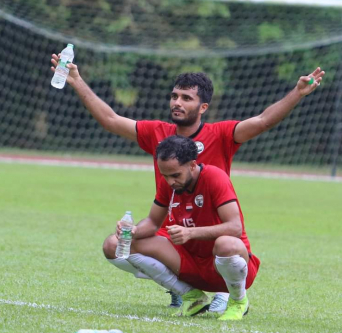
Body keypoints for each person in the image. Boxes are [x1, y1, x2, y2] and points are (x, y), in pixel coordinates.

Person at [50, 54, 323, 312]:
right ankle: (183, 289)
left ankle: (225, 293)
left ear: (203, 107)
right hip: (173, 234)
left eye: (186, 98)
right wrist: (76, 80)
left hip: (212, 235)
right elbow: (110, 120)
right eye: (174, 96)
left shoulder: (222, 134)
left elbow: (263, 121)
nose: (177, 102)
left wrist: (297, 92)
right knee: (113, 245)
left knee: (225, 249)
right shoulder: (157, 132)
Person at [105, 135, 260, 320]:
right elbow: (153, 223)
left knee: (226, 244)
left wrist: (190, 233)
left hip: (225, 267)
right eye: (165, 175)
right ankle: (191, 297)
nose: (170, 182)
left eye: (176, 175)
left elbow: (235, 227)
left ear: (192, 165)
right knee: (114, 244)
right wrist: (133, 231)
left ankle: (238, 301)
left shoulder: (214, 177)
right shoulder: (168, 184)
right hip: (189, 265)